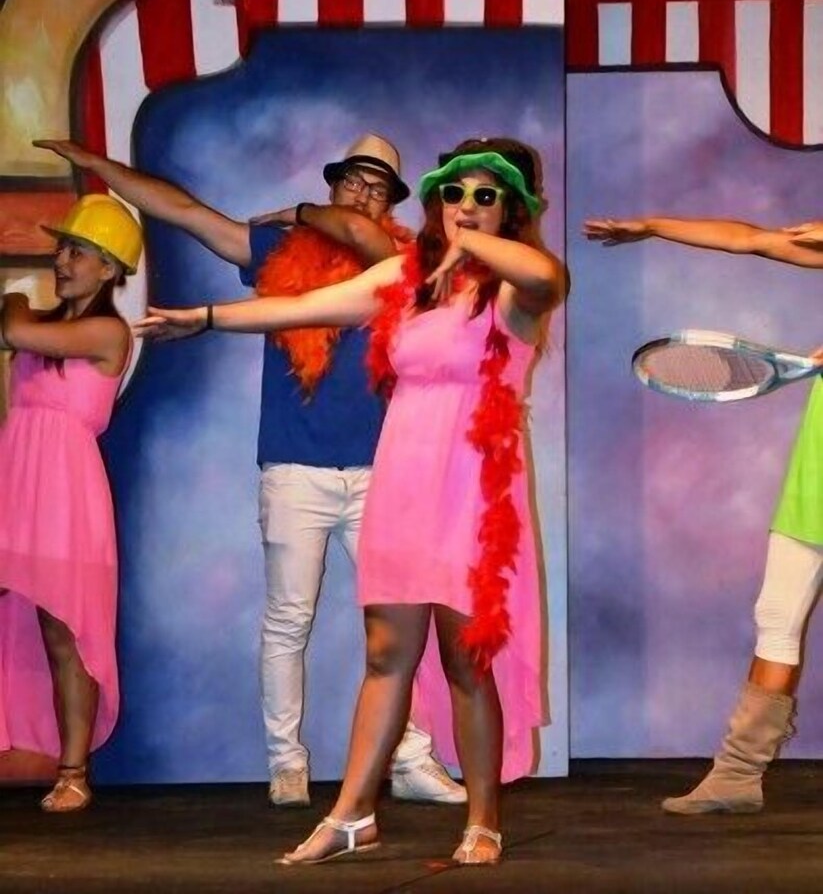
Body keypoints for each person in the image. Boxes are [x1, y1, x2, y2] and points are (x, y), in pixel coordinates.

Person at [135, 137, 567, 864]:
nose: (464, 205)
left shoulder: (509, 292)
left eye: (484, 195)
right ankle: (352, 816)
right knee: (386, 652)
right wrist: (205, 316)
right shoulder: (406, 276)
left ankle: (483, 820)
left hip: (470, 486)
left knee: (465, 660)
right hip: (401, 475)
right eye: (454, 192)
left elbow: (547, 274)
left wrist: (472, 247)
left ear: (511, 211)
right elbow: (302, 306)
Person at [34, 134, 465, 808]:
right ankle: (286, 762)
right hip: (293, 467)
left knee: (398, 621)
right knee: (288, 620)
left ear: (390, 206)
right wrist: (103, 168)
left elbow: (358, 234)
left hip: (381, 471)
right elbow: (186, 212)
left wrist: (301, 212)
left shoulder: (402, 263)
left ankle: (408, 756)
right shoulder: (277, 253)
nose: (361, 196)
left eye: (377, 188)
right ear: (333, 184)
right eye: (352, 181)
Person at [585, 213, 823, 814]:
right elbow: (749, 238)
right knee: (777, 615)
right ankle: (737, 776)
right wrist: (653, 225)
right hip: (816, 470)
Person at [0, 193, 141, 811]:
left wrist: (16, 300)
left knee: (64, 634)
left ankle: (74, 771)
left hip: (65, 493)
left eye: (78, 251)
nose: (62, 260)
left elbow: (13, 326)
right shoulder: (52, 330)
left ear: (109, 268)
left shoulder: (108, 331)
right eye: (62, 248)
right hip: (15, 478)